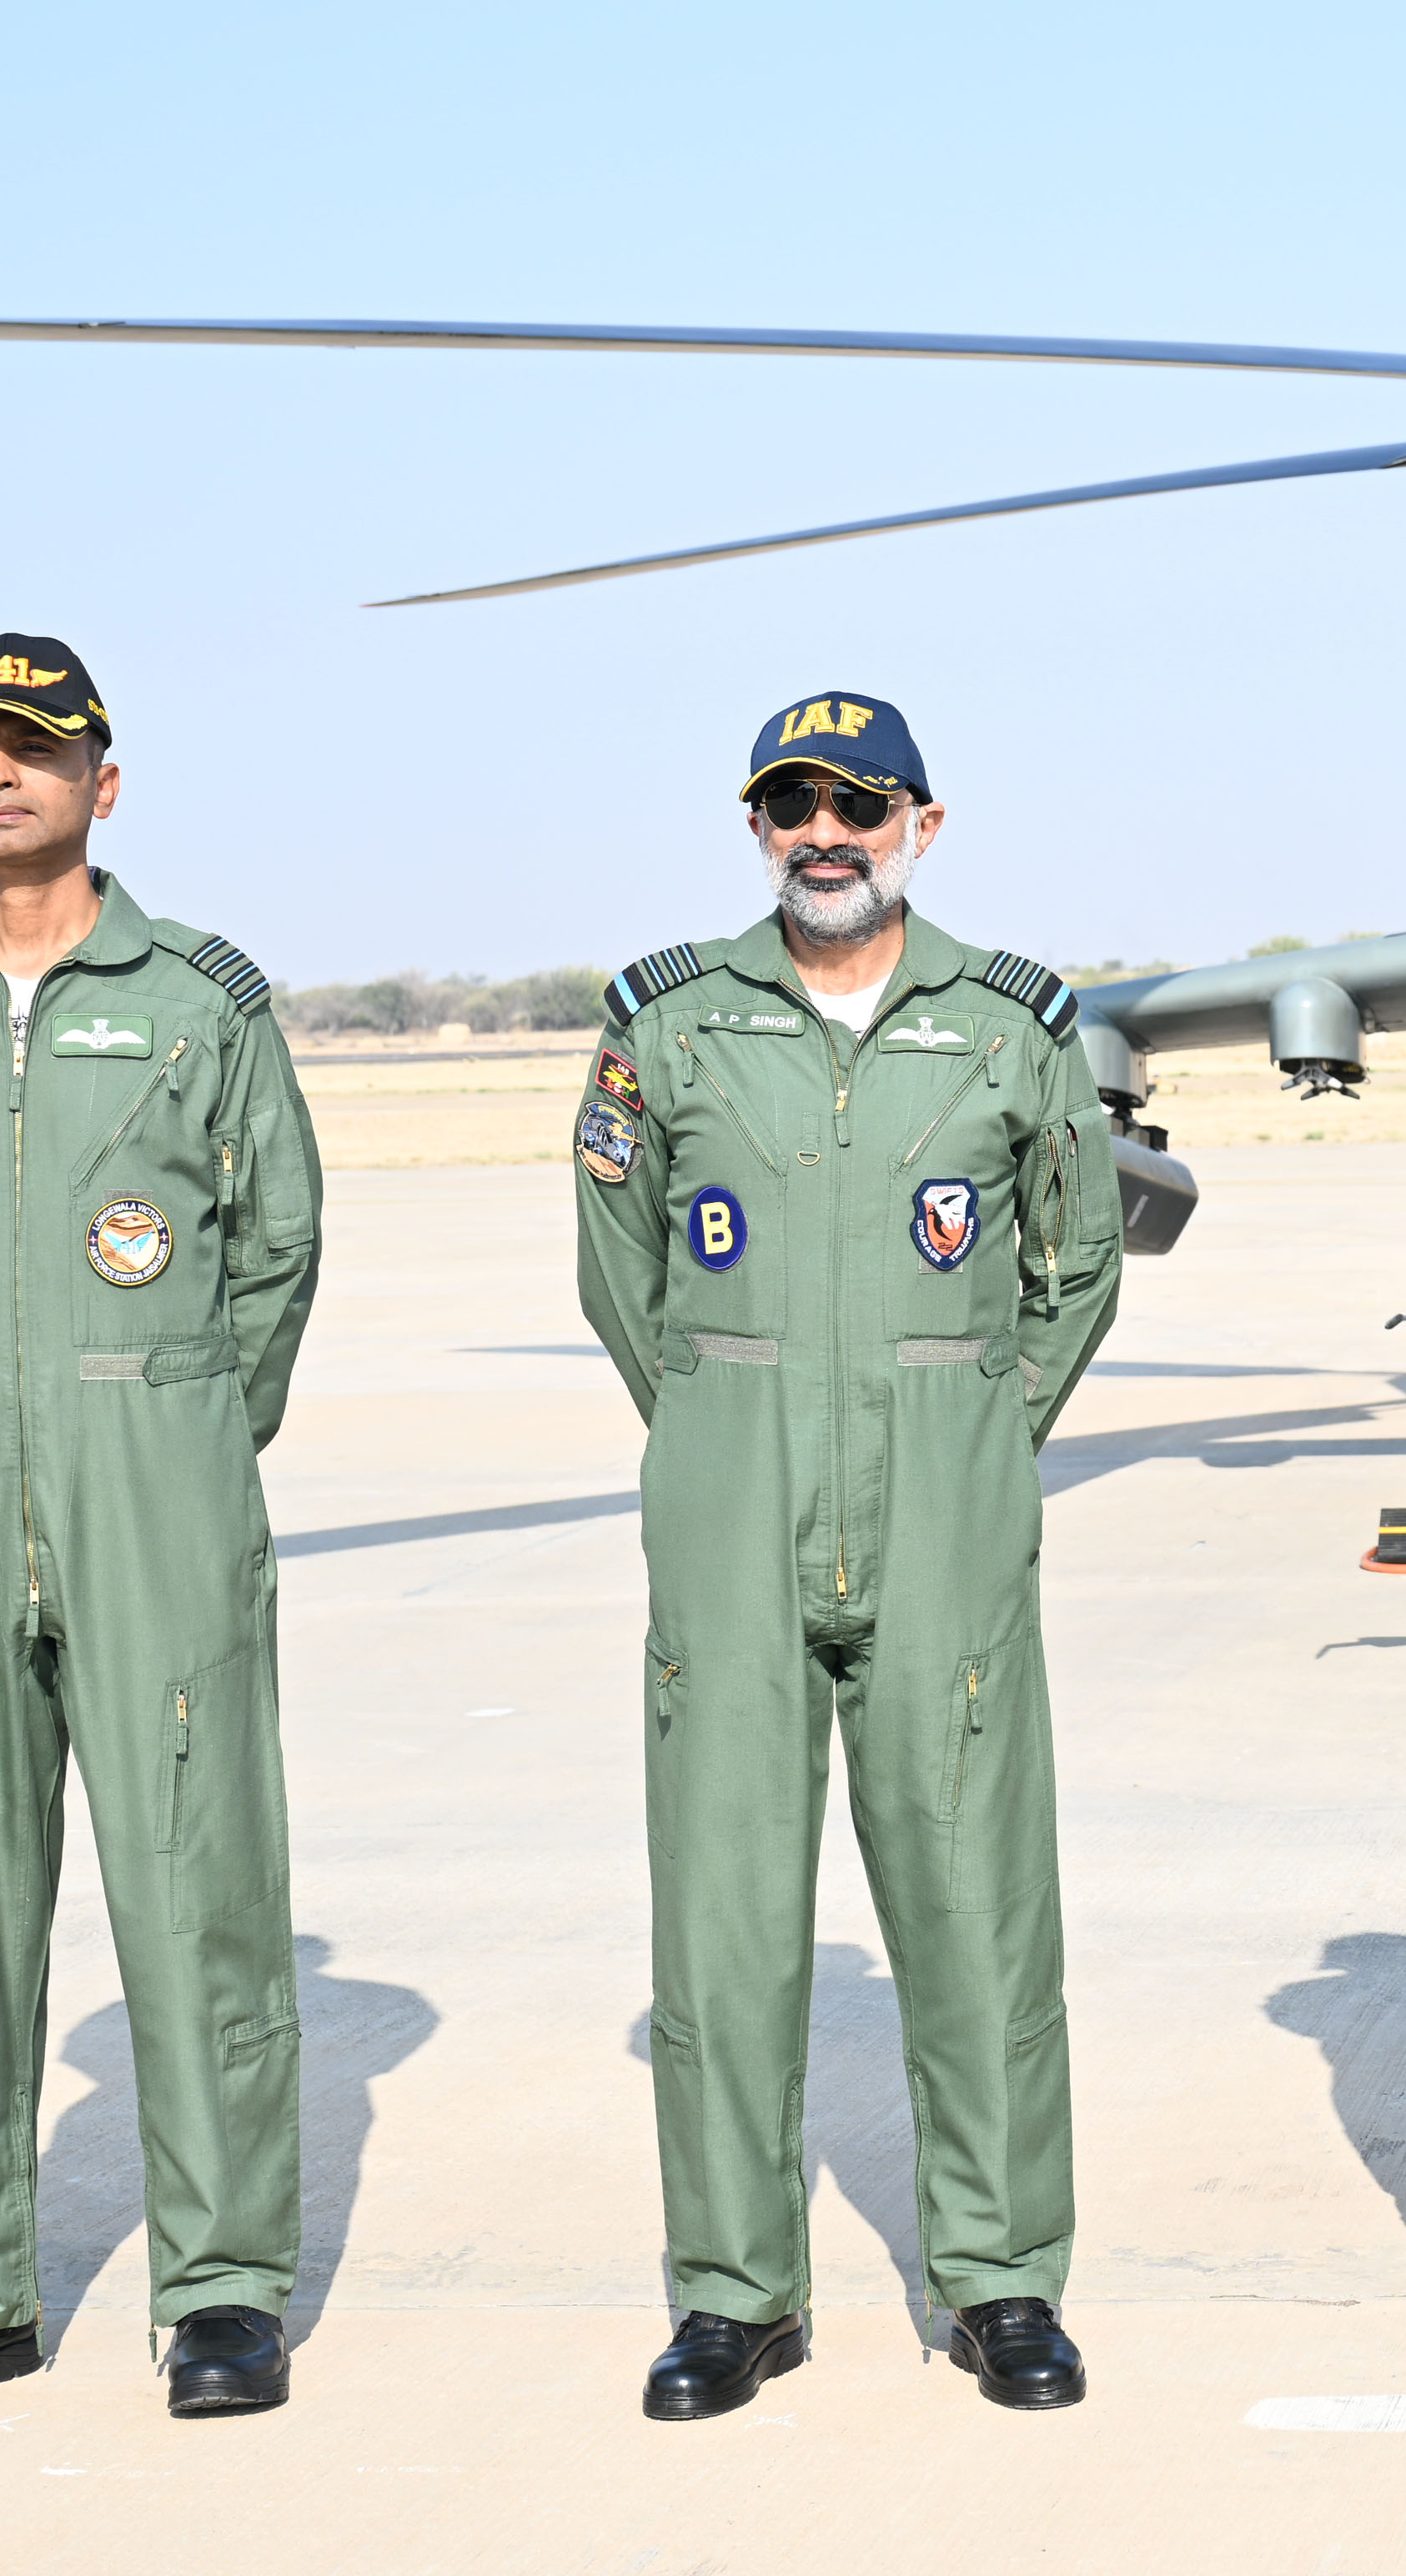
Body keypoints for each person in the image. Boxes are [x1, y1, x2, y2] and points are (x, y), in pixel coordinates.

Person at [0, 634, 326, 2424]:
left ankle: (226, 2283)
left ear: (107, 777)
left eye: (35, 746)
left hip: (151, 1473)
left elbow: (276, 1247)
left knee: (199, 1890)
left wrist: (167, 1416)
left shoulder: (198, 998)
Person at [571, 695, 1123, 2419]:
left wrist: (970, 1427)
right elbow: (619, 1267)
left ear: (922, 826)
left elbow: (1077, 1260)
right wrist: (728, 1426)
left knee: (974, 1905)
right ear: (759, 829)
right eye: (794, 802)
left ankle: (1001, 2275)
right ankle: (734, 2290)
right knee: (725, 1914)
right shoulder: (666, 1020)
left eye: (859, 801)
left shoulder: (1012, 1023)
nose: (827, 829)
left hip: (945, 1507)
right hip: (732, 1499)